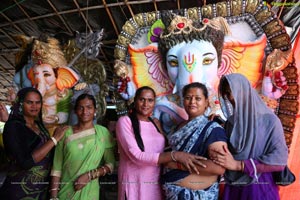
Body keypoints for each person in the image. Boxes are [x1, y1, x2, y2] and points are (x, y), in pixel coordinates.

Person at [116, 86, 207, 200]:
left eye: (150, 100)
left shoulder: (155, 123)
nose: (146, 104)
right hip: (135, 183)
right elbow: (136, 156)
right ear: (135, 101)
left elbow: (164, 148)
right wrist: (176, 156)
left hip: (156, 183)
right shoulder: (125, 122)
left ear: (154, 103)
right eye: (142, 99)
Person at [211, 73, 288, 200]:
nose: (229, 97)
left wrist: (239, 165)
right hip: (234, 188)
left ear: (245, 91)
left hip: (260, 187)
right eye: (226, 93)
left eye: (233, 92)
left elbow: (279, 160)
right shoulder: (230, 124)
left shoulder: (269, 121)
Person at [161, 82, 227, 199]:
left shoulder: (212, 129)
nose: (192, 102)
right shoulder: (176, 128)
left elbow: (219, 167)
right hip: (172, 194)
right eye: (188, 98)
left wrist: (177, 165)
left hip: (199, 195)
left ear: (206, 102)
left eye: (198, 98)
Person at [0, 87, 67, 200]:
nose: (34, 106)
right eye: (29, 102)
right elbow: (25, 162)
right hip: (19, 190)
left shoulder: (39, 125)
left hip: (40, 190)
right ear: (21, 104)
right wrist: (54, 139)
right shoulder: (13, 126)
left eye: (37, 102)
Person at [49, 93, 115, 200]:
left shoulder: (103, 133)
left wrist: (90, 175)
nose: (85, 112)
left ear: (95, 110)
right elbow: (57, 168)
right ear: (75, 111)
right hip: (65, 192)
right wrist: (53, 196)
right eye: (81, 108)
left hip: (90, 192)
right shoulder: (65, 132)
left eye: (89, 107)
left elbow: (111, 164)